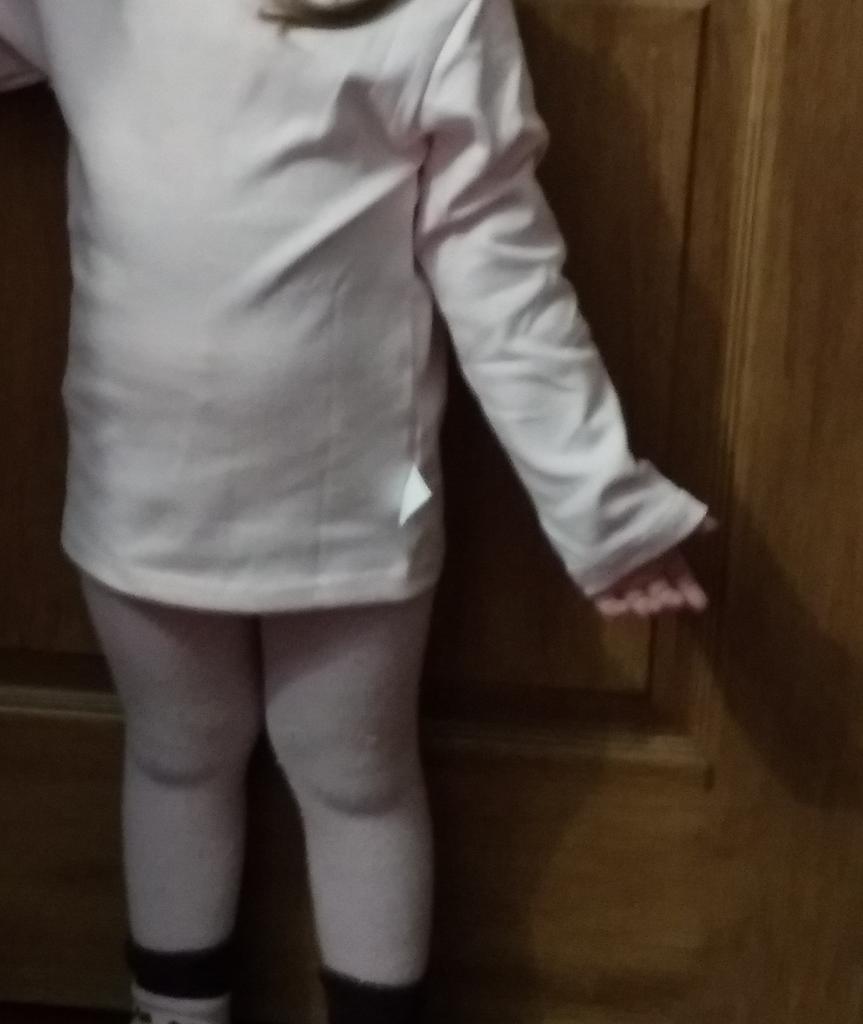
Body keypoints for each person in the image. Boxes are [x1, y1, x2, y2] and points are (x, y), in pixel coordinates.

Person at [0, 1, 713, 1022]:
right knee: (174, 760)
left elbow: (502, 274)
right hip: (140, 486)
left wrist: (600, 504)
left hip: (372, 500)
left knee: (356, 780)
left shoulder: (438, 12)